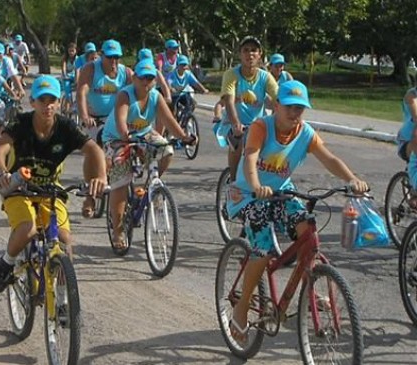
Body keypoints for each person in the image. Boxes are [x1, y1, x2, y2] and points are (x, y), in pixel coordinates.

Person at [225, 80, 369, 344]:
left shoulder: (305, 132)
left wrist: (352, 180)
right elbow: (250, 159)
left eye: (300, 109)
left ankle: (309, 284)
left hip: (280, 192)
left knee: (307, 230)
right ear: (276, 105)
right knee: (264, 248)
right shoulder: (261, 127)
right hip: (249, 194)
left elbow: (329, 158)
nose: (294, 113)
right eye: (289, 107)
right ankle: (242, 307)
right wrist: (257, 186)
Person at [0, 75, 107, 292]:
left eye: (52, 100)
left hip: (50, 189)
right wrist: (2, 172)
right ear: (32, 102)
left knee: (64, 239)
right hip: (18, 188)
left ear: (59, 102)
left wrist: (100, 177)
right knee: (28, 228)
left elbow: (94, 150)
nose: (47, 105)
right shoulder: (20, 123)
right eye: (42, 100)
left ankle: (63, 296)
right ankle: (6, 262)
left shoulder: (65, 127)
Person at [101, 60, 196, 249]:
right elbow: (121, 120)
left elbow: (169, 121)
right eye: (142, 77)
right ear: (134, 78)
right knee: (121, 179)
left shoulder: (155, 96)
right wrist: (125, 138)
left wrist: (185, 137)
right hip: (117, 137)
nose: (146, 82)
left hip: (144, 134)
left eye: (150, 78)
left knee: (166, 151)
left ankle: (149, 187)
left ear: (154, 81)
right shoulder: (125, 95)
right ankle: (118, 230)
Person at [76, 39, 133, 218]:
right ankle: (90, 196)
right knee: (94, 151)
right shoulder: (91, 69)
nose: (113, 62)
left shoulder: (126, 73)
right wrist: (85, 116)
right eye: (110, 58)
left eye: (117, 58)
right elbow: (82, 93)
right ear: (101, 55)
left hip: (117, 119)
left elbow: (137, 94)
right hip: (95, 119)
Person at [219, 36, 278, 181]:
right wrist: (235, 123)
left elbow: (279, 98)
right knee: (236, 141)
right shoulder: (231, 75)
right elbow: (229, 101)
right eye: (246, 50)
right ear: (240, 54)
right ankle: (233, 182)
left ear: (260, 55)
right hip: (233, 123)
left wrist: (280, 118)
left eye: (254, 50)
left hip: (258, 124)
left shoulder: (265, 77)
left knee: (273, 150)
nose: (250, 54)